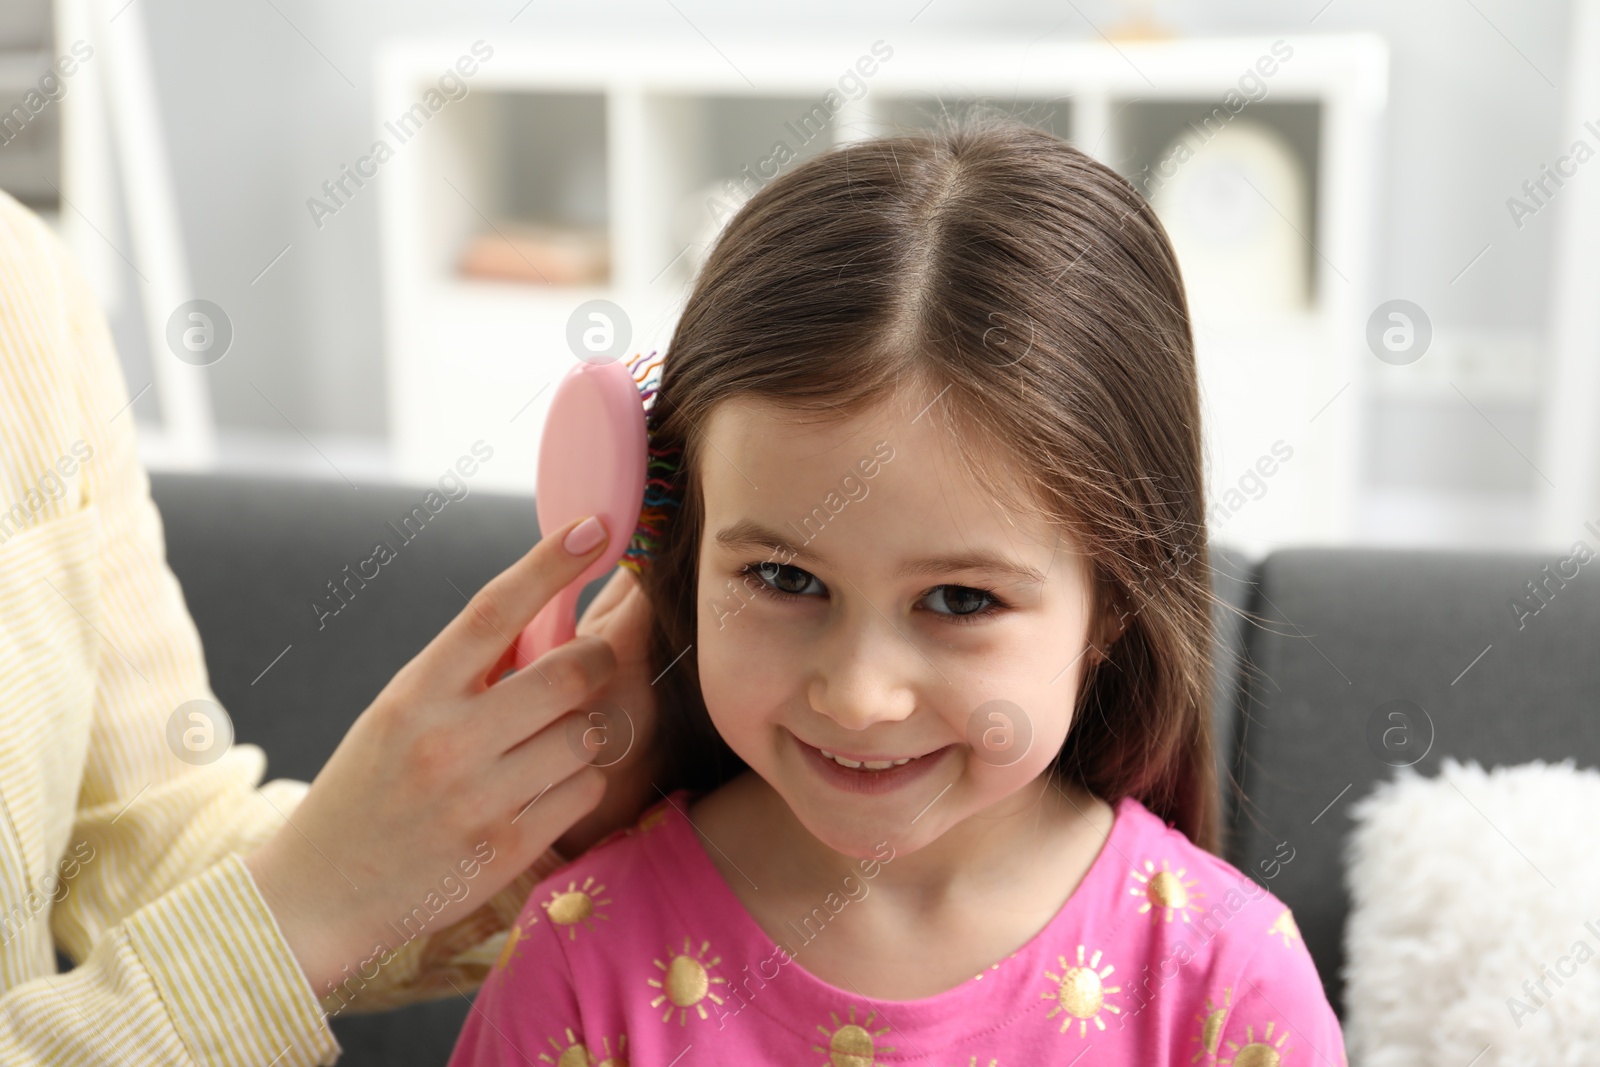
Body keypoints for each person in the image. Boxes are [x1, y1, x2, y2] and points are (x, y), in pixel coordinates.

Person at [448, 115, 1348, 1066]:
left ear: (1115, 597)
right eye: (784, 577)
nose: (859, 694)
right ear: (683, 550)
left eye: (960, 600)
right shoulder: (583, 956)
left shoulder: (1228, 987)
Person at [0, 185, 658, 1065]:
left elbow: (147, 840)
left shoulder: (24, 282)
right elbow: (280, 906)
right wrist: (295, 909)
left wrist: (537, 821)